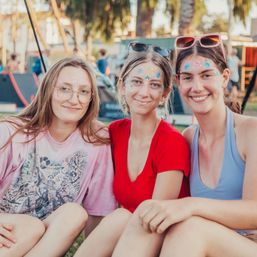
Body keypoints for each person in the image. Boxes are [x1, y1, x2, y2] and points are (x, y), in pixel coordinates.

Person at [110, 34, 257, 257]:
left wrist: (190, 205)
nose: (197, 87)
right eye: (188, 77)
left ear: (225, 77)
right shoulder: (188, 138)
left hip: (246, 245)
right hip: (199, 248)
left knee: (190, 227)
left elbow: (254, 211)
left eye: (206, 75)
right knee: (147, 213)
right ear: (178, 83)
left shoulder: (250, 132)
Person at [74, 42, 190, 257]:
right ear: (122, 85)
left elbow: (156, 219)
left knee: (125, 216)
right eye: (136, 82)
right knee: (120, 216)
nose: (144, 92)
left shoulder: (172, 142)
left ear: (165, 93)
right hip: (124, 230)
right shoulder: (115, 132)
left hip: (162, 237)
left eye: (155, 85)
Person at [0, 57, 116, 257]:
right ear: (48, 91)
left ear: (91, 98)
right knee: (31, 227)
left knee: (74, 213)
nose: (74, 99)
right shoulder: (11, 132)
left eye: (83, 91)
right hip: (6, 232)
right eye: (64, 88)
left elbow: (98, 213)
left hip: (45, 243)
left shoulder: (97, 141)